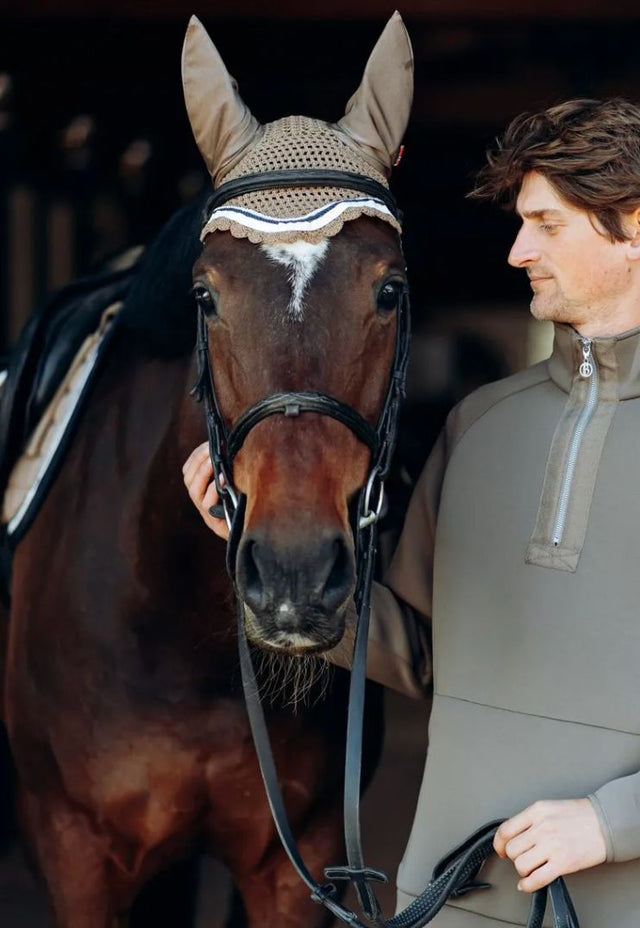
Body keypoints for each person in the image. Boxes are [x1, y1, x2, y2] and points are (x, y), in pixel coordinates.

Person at [182, 98, 640, 927]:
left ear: (633, 227)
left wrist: (613, 825)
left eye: (545, 224)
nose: (517, 251)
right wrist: (247, 540)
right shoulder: (480, 426)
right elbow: (424, 655)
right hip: (456, 898)